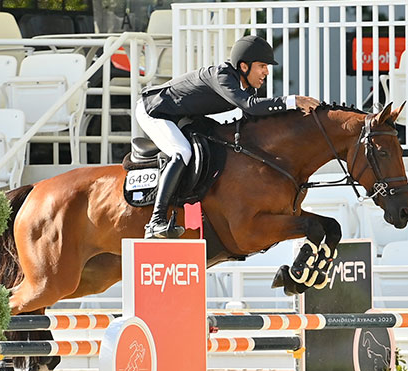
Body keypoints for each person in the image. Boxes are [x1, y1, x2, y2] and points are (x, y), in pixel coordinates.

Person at [136, 35, 320, 239]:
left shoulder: (246, 85)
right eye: (262, 66)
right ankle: (156, 221)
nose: (266, 72)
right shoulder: (223, 77)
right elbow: (251, 106)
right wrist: (292, 101)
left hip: (181, 116)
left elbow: (254, 116)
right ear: (243, 67)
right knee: (181, 152)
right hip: (153, 110)